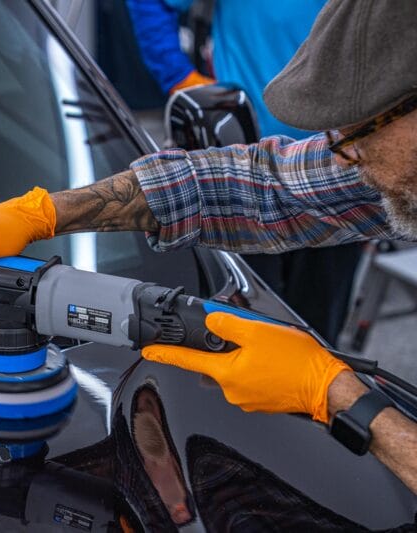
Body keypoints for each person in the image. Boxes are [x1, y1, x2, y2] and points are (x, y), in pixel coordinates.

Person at [0, 0, 417, 493]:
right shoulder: (387, 162)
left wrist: (340, 397)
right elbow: (265, 187)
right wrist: (45, 213)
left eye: (360, 131)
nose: (345, 156)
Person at [125, 0, 361, 345]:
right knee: (243, 325)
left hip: (345, 164)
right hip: (246, 172)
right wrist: (181, 78)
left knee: (319, 331)